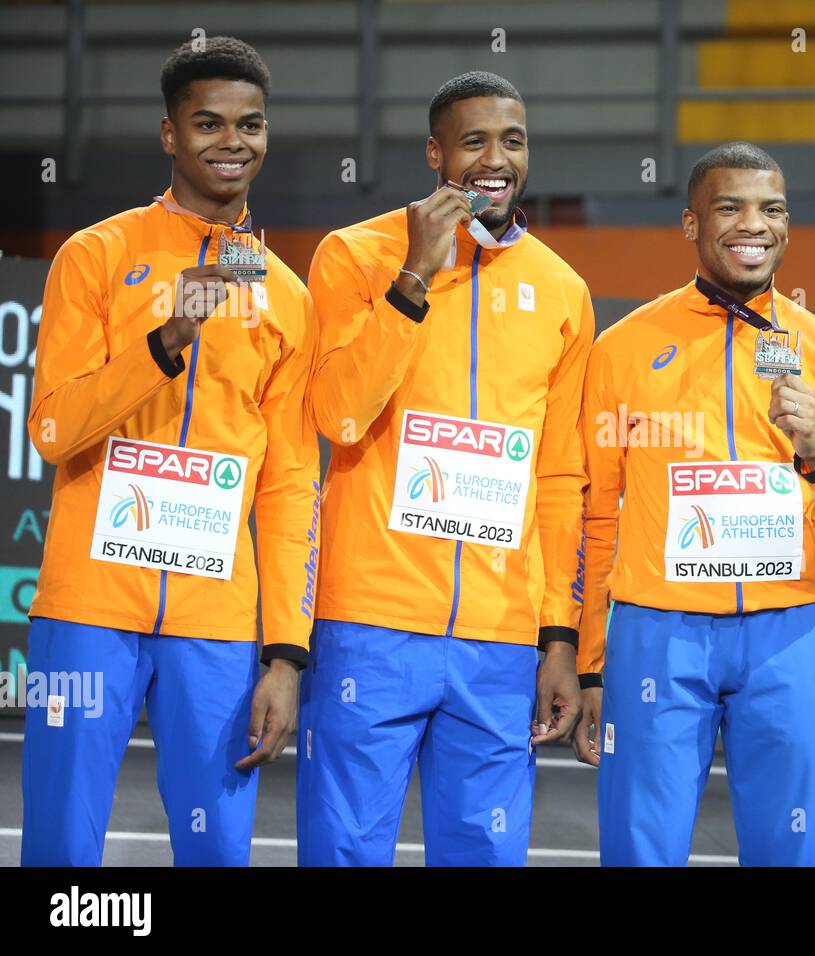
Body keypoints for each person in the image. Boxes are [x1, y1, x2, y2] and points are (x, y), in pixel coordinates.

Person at [21, 37, 319, 866]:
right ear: (169, 135)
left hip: (216, 626)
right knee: (59, 848)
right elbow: (51, 429)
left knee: (218, 848)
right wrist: (164, 342)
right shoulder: (97, 256)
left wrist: (286, 654)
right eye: (209, 123)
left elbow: (291, 486)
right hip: (89, 609)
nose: (233, 141)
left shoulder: (286, 297)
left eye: (251, 124)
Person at [574, 142, 815, 866]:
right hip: (657, 634)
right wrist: (590, 662)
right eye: (730, 207)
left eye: (772, 209)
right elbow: (594, 515)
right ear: (690, 224)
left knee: (787, 851)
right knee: (639, 852)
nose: (754, 224)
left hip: (789, 638)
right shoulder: (623, 349)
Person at [299, 71, 591, 866]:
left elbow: (561, 478)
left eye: (513, 141)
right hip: (371, 624)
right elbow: (340, 415)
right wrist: (415, 277)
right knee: (342, 852)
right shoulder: (353, 256)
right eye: (473, 141)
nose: (495, 160)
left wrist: (559, 638)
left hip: (498, 638)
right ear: (435, 153)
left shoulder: (564, 290)